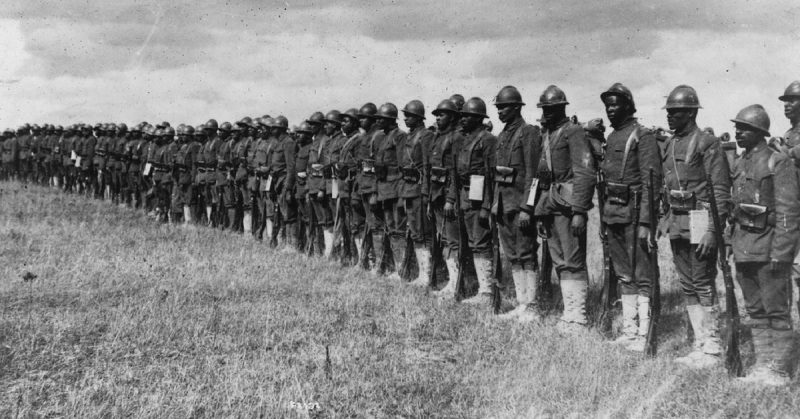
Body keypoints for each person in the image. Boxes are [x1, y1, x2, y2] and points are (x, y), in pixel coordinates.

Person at [660, 85, 731, 365]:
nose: (670, 117)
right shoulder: (670, 144)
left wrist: (713, 230)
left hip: (700, 217)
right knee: (687, 283)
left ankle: (712, 345)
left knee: (702, 280)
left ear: (690, 113)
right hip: (677, 218)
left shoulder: (707, 143)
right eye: (668, 112)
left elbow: (721, 191)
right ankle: (700, 342)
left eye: (675, 112)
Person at [729, 104, 799, 386]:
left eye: (744, 128)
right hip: (745, 247)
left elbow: (788, 212)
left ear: (759, 133)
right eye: (737, 127)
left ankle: (779, 370)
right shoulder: (741, 162)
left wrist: (781, 253)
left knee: (776, 310)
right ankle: (763, 365)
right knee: (755, 310)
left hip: (770, 249)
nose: (738, 132)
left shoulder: (777, 162)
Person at [598, 83, 663, 346]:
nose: (610, 110)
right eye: (607, 106)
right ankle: (630, 330)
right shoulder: (613, 137)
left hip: (636, 215)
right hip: (613, 213)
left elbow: (651, 183)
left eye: (615, 105)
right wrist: (603, 219)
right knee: (624, 273)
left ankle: (645, 333)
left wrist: (646, 222)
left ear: (627, 105)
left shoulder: (642, 136)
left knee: (642, 274)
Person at [532, 85, 597, 331]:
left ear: (562, 108)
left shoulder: (574, 132)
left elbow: (585, 172)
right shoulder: (547, 135)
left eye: (551, 108)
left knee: (573, 260)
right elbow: (541, 177)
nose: (546, 113)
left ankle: (578, 317)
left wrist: (580, 211)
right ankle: (568, 314)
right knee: (560, 260)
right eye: (544, 109)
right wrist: (539, 210)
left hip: (569, 207)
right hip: (550, 204)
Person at [490, 86, 541, 321]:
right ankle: (522, 303)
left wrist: (527, 208)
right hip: (503, 205)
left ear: (517, 107)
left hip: (520, 206)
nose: (500, 111)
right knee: (513, 255)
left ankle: (532, 305)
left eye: (505, 107)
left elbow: (532, 174)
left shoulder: (527, 132)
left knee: (526, 253)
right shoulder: (502, 136)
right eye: (498, 107)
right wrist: (494, 203)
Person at [451, 97, 496, 304]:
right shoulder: (463, 140)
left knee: (480, 243)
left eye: (467, 116)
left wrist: (487, 206)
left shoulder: (487, 140)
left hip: (479, 200)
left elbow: (490, 175)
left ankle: (487, 292)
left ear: (478, 118)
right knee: (470, 243)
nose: (463, 119)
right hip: (464, 197)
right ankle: (475, 286)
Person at [428, 99, 463, 298]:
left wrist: (450, 199)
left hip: (449, 197)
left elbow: (455, 172)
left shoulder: (456, 138)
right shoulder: (439, 137)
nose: (438, 117)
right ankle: (452, 281)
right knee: (445, 239)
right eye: (437, 114)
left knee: (453, 240)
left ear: (452, 117)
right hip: (437, 195)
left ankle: (456, 283)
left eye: (442, 114)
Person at [399, 100, 435, 285]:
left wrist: (426, 193)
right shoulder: (409, 136)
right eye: (405, 115)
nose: (405, 119)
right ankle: (422, 273)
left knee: (423, 232)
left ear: (419, 117)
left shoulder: (426, 136)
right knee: (415, 232)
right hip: (408, 190)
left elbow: (428, 167)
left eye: (409, 116)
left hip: (419, 190)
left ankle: (427, 275)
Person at [373, 103, 408, 277]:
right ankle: (395, 267)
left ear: (389, 119)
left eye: (381, 118)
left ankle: (402, 269)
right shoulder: (381, 137)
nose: (377, 121)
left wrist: (402, 195)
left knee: (399, 230)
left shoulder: (400, 137)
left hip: (396, 190)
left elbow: (403, 166)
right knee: (391, 228)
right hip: (384, 190)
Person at [777, 81, 800, 318]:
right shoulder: (789, 134)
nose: (787, 106)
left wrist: (787, 153)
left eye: (792, 100)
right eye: (785, 102)